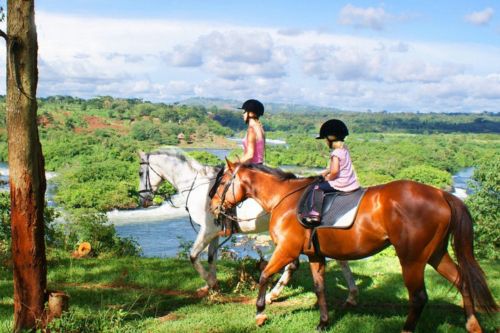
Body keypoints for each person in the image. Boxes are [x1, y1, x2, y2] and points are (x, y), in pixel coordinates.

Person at [303, 119, 360, 222]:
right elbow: (338, 167)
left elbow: (335, 172)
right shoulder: (344, 149)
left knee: (315, 187)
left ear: (331, 138)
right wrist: (326, 171)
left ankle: (314, 214)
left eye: (325, 139)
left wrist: (328, 178)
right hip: (350, 182)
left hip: (341, 183)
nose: (325, 142)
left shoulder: (335, 153)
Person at [239, 99, 265, 164]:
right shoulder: (260, 128)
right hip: (260, 166)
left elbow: (249, 155)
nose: (243, 114)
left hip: (252, 166)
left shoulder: (252, 130)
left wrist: (235, 164)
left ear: (250, 113)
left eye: (244, 112)